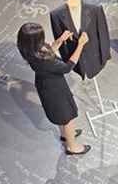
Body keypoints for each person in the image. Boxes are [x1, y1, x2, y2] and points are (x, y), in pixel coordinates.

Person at [17, 23, 91, 155]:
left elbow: (49, 51)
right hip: (54, 89)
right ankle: (72, 146)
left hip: (46, 84)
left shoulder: (30, 49)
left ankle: (65, 135)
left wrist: (60, 40)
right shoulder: (43, 59)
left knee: (61, 114)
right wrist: (81, 44)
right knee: (66, 116)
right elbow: (67, 67)